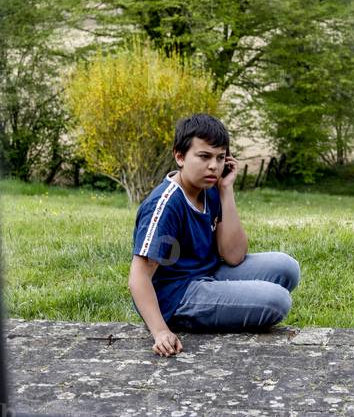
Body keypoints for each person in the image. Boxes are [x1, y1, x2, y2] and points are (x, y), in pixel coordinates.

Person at [128, 113, 301, 357]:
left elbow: (233, 256)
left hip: (208, 273)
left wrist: (226, 189)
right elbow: (139, 277)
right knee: (277, 301)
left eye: (220, 158)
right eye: (204, 156)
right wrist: (160, 331)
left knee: (287, 267)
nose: (214, 166)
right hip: (178, 295)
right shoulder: (166, 205)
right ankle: (190, 316)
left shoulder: (209, 188)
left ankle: (222, 300)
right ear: (179, 156)